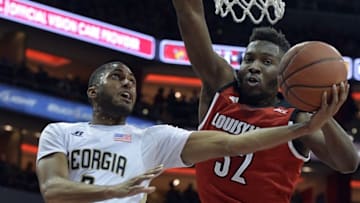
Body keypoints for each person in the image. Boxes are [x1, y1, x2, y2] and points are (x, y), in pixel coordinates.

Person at [37, 61, 345, 203]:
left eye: (132, 80)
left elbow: (234, 144)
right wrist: (114, 191)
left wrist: (304, 127)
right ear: (93, 91)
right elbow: (53, 190)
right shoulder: (60, 131)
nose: (128, 84)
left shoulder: (152, 139)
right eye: (118, 77)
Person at [171, 1, 359, 202]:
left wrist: (323, 114)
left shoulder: (296, 120)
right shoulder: (221, 88)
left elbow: (348, 163)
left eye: (267, 62)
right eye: (248, 59)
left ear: (284, 75)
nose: (254, 66)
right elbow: (190, 14)